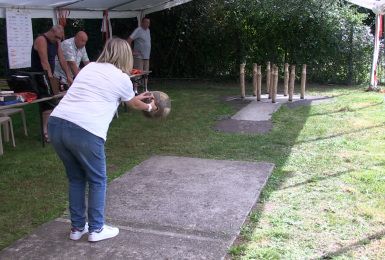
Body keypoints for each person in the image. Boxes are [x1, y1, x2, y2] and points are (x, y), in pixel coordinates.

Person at [47, 38, 157, 242]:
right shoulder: (121, 77)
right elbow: (133, 104)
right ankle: (96, 229)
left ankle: (77, 228)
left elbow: (128, 98)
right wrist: (150, 107)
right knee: (97, 179)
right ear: (125, 56)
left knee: (76, 178)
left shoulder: (89, 68)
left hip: (56, 124)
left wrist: (138, 99)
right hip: (85, 129)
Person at [31, 24, 73, 142]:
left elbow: (62, 59)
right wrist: (50, 80)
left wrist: (69, 76)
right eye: (57, 38)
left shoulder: (57, 41)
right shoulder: (41, 40)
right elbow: (44, 62)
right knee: (47, 102)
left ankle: (53, 128)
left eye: (60, 38)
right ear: (52, 32)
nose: (58, 40)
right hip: (39, 76)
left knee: (56, 100)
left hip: (49, 75)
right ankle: (45, 132)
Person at [127, 17, 151, 93]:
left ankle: (145, 89)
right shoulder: (138, 30)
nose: (148, 24)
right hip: (139, 57)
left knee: (146, 73)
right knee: (138, 74)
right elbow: (129, 40)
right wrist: (132, 51)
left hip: (146, 56)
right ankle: (135, 90)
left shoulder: (148, 30)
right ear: (142, 23)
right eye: (146, 22)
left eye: (149, 23)